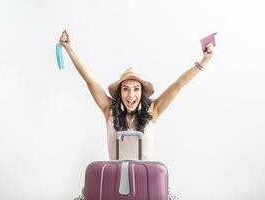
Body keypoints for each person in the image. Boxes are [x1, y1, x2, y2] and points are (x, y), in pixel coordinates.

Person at [58, 30, 214, 200]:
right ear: (120, 92)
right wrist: (69, 48)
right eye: (125, 89)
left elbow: (178, 85)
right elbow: (89, 80)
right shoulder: (109, 109)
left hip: (146, 182)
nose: (131, 95)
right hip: (114, 183)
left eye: (136, 89)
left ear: (142, 92)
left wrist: (204, 61)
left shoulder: (153, 111)